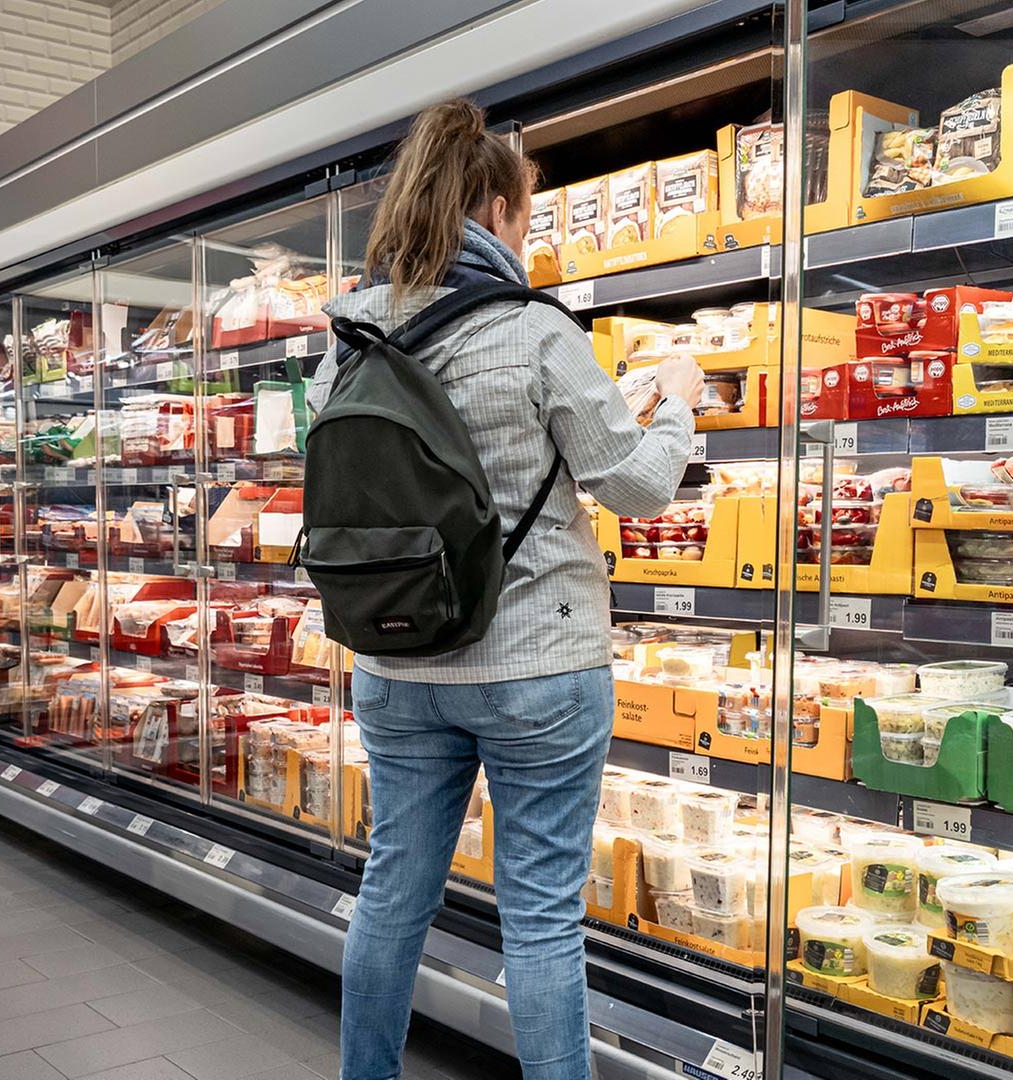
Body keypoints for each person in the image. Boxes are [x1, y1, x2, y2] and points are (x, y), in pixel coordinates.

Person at [306, 99, 703, 1080]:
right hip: (538, 665)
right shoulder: (532, 331)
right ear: (492, 206)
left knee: (392, 894)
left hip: (396, 662)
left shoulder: (348, 340)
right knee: (539, 920)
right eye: (525, 213)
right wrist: (681, 404)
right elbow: (639, 487)